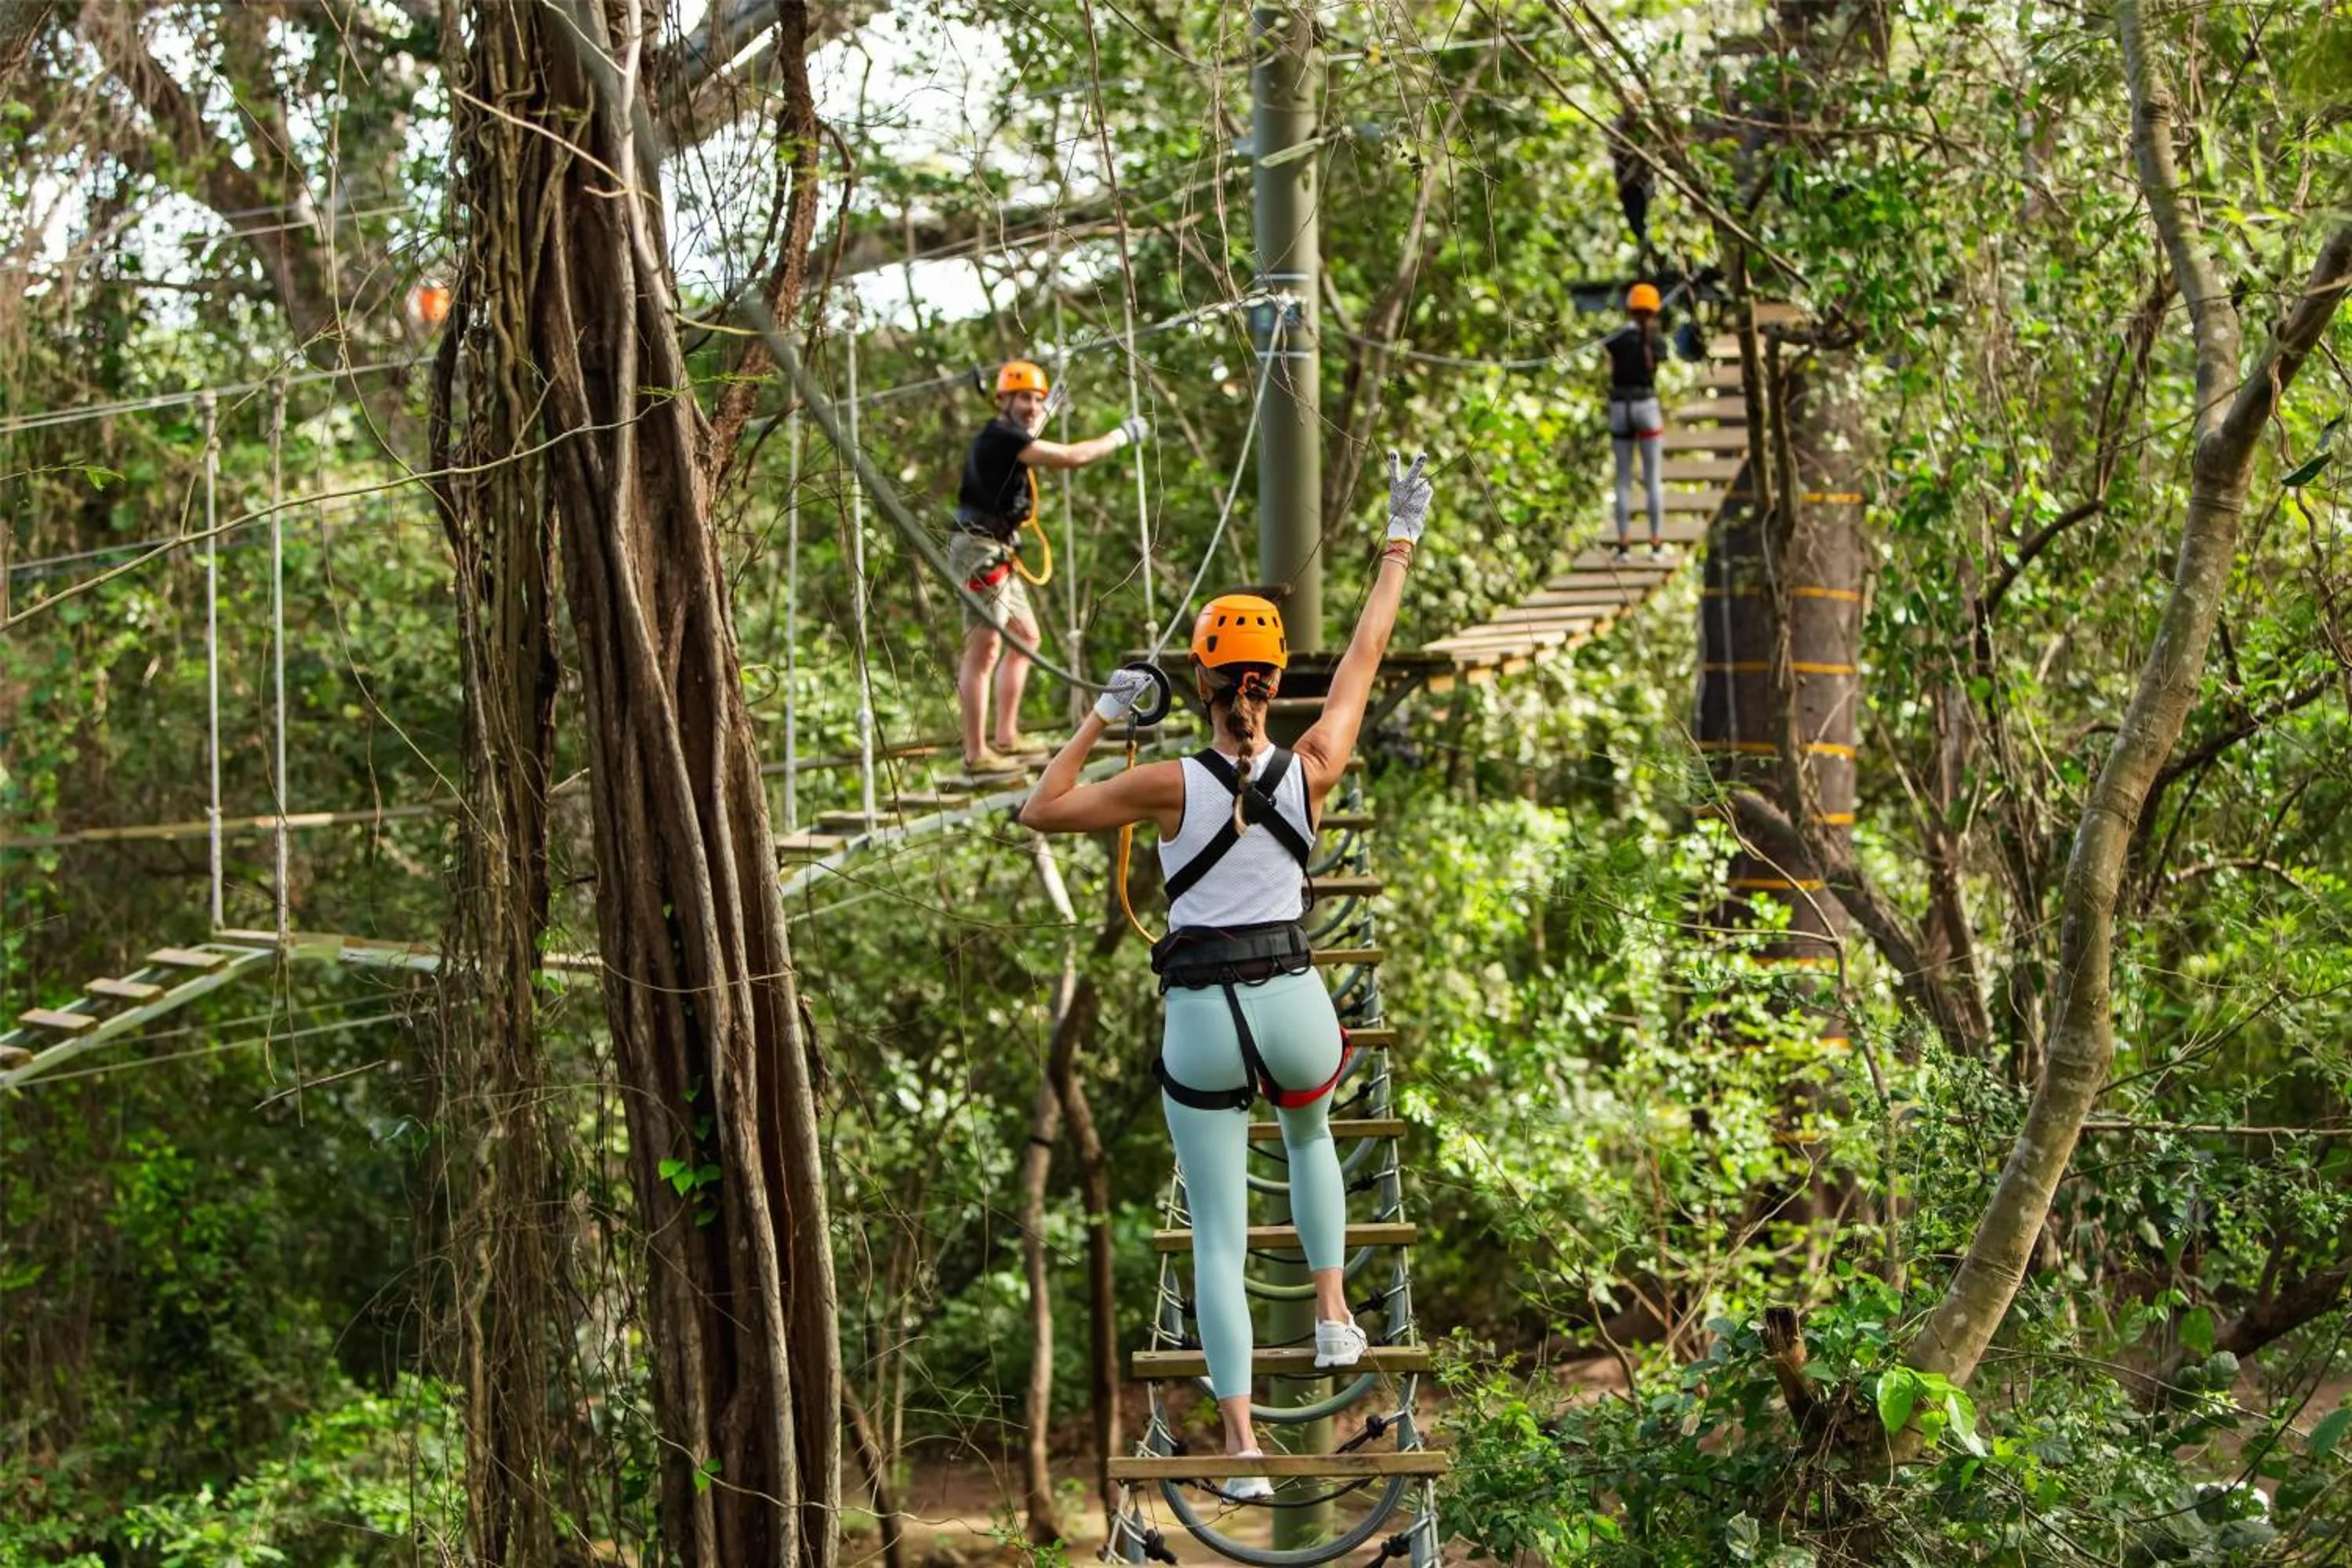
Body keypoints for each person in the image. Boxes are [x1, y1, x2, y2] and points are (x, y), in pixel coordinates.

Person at [1020, 451, 1434, 1498]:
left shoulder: (1162, 784)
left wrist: (1107, 714)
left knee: (1215, 1230)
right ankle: (1337, 1314)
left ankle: (1243, 1445)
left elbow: (1041, 808)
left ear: (1204, 685)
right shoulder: (1315, 767)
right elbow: (1367, 659)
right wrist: (1398, 541)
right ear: (1274, 684)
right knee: (1310, 1140)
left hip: (1202, 1022)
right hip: (1294, 1005)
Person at [954, 360, 1149, 772]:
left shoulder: (1010, 434)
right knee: (984, 650)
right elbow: (1073, 457)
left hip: (997, 549)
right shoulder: (1000, 438)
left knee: (1026, 638)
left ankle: (1005, 738)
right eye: (1024, 397)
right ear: (1002, 399)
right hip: (978, 550)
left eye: (1037, 399)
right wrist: (1121, 435)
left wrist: (1051, 405)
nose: (1032, 406)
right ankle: (975, 754)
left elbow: (1032, 430)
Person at [1601, 283, 1667, 561]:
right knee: (1652, 478)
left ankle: (1625, 545)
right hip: (1646, 406)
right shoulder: (1655, 340)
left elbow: (1608, 356)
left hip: (1620, 408)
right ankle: (1655, 544)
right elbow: (1659, 360)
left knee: (1623, 479)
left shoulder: (1617, 338)